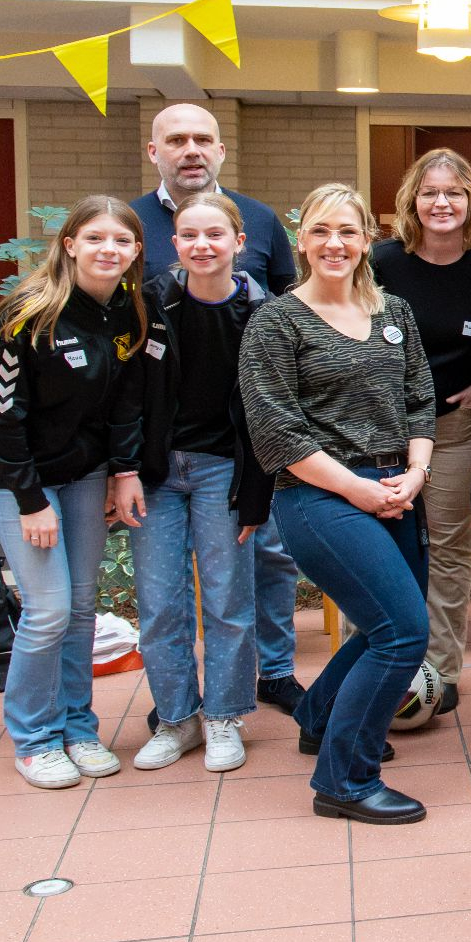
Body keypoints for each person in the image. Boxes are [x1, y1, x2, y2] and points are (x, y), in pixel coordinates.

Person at [238, 184, 436, 825]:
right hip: (320, 495)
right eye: (321, 231)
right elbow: (277, 433)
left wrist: (415, 472)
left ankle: (319, 716)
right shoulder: (275, 321)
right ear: (301, 239)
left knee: (385, 622)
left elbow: (419, 401)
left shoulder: (393, 313)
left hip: (396, 488)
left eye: (348, 231)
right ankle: (344, 782)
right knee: (403, 633)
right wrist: (359, 490)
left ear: (366, 239)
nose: (335, 244)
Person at [130, 102, 305, 718]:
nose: (191, 150)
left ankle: (274, 672)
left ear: (221, 150)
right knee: (166, 590)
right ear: (155, 152)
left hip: (242, 445)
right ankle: (175, 703)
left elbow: (289, 314)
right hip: (160, 445)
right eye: (176, 140)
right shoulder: (130, 224)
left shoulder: (259, 219)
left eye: (203, 139)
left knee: (267, 562)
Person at [0, 195, 146, 789]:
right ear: (69, 243)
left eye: (121, 241)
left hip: (86, 476)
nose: (109, 250)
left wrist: (124, 471)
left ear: (135, 251)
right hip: (21, 476)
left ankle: (78, 727)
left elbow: (126, 404)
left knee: (78, 610)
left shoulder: (127, 310)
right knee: (47, 611)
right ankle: (34, 738)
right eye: (96, 238)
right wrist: (29, 501)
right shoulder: (29, 315)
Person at [113, 192, 274, 775]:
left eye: (214, 234)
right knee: (159, 604)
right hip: (157, 472)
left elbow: (269, 412)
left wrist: (257, 490)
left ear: (238, 242)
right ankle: (177, 718)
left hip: (223, 474)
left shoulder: (264, 311)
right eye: (189, 235)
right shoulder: (149, 303)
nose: (202, 245)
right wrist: (124, 469)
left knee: (228, 599)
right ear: (174, 244)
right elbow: (125, 396)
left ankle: (225, 716)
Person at [369, 149, 471, 717]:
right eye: (430, 193)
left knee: (447, 547)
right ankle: (378, 664)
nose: (441, 203)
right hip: (383, 431)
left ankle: (442, 671)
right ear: (412, 201)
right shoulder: (382, 261)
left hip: (457, 426)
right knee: (380, 546)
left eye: (453, 192)